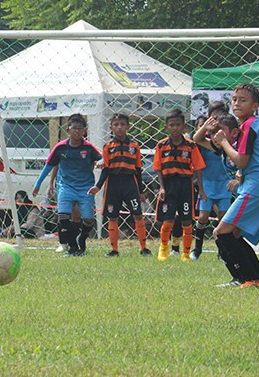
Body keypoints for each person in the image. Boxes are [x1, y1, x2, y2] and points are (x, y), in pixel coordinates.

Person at [209, 83, 259, 288]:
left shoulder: (249, 125)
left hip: (256, 185)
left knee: (221, 232)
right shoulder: (249, 125)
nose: (237, 103)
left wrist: (224, 143)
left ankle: (246, 279)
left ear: (255, 106)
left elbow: (241, 161)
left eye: (243, 100)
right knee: (233, 234)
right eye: (234, 99)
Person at [33, 113, 100, 257]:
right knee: (63, 216)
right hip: (66, 186)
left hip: (85, 188)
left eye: (80, 128)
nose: (77, 131)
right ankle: (72, 247)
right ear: (68, 130)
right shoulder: (60, 148)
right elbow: (49, 166)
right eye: (74, 128)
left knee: (88, 218)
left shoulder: (89, 148)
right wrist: (38, 184)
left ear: (85, 130)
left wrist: (102, 163)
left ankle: (81, 238)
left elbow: (102, 159)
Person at [87, 112, 150, 257]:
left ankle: (144, 248)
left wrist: (141, 191)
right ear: (111, 127)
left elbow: (138, 170)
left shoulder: (134, 146)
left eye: (122, 124)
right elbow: (106, 169)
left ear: (128, 126)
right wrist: (98, 186)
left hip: (130, 184)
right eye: (116, 124)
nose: (119, 127)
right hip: (113, 184)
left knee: (138, 214)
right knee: (113, 217)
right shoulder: (108, 146)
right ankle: (114, 249)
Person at [152, 108, 206, 262]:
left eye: (178, 125)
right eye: (171, 125)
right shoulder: (161, 145)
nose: (175, 128)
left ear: (184, 126)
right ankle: (164, 248)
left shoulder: (191, 145)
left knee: (187, 221)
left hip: (185, 186)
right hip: (168, 185)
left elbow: (198, 167)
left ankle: (186, 253)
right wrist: (162, 187)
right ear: (166, 127)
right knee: (168, 220)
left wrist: (201, 189)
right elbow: (158, 168)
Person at [191, 103, 235, 260]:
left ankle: (222, 252)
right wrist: (205, 127)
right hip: (208, 185)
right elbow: (196, 139)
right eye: (213, 116)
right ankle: (197, 249)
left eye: (219, 116)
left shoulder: (228, 143)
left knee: (223, 219)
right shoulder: (209, 142)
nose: (216, 119)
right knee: (203, 217)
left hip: (224, 185)